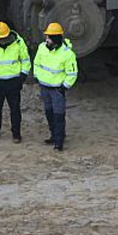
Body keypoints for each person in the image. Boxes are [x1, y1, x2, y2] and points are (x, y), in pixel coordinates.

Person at [34, 22, 79, 151]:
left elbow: (72, 73)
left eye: (49, 37)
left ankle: (59, 142)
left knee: (58, 115)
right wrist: (38, 77)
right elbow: (37, 63)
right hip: (44, 87)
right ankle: (54, 136)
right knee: (49, 113)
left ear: (56, 39)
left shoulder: (67, 54)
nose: (46, 39)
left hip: (57, 90)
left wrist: (63, 87)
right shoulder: (42, 48)